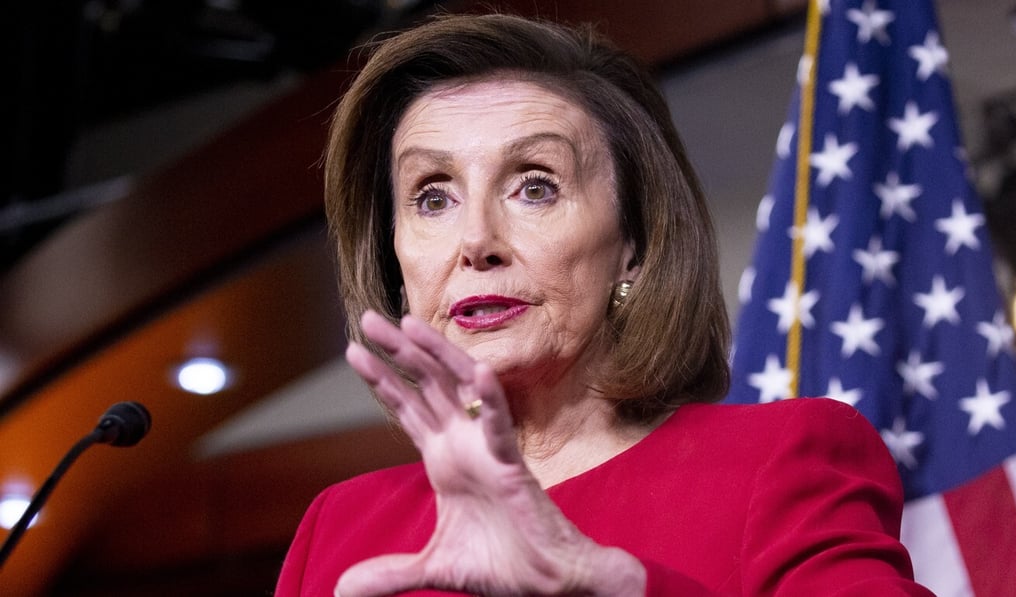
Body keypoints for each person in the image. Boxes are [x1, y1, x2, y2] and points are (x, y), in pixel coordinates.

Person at [276, 13, 933, 596]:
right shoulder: (339, 527)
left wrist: (618, 587)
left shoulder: (781, 459)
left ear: (634, 244)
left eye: (535, 186)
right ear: (393, 259)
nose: (476, 240)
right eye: (432, 195)